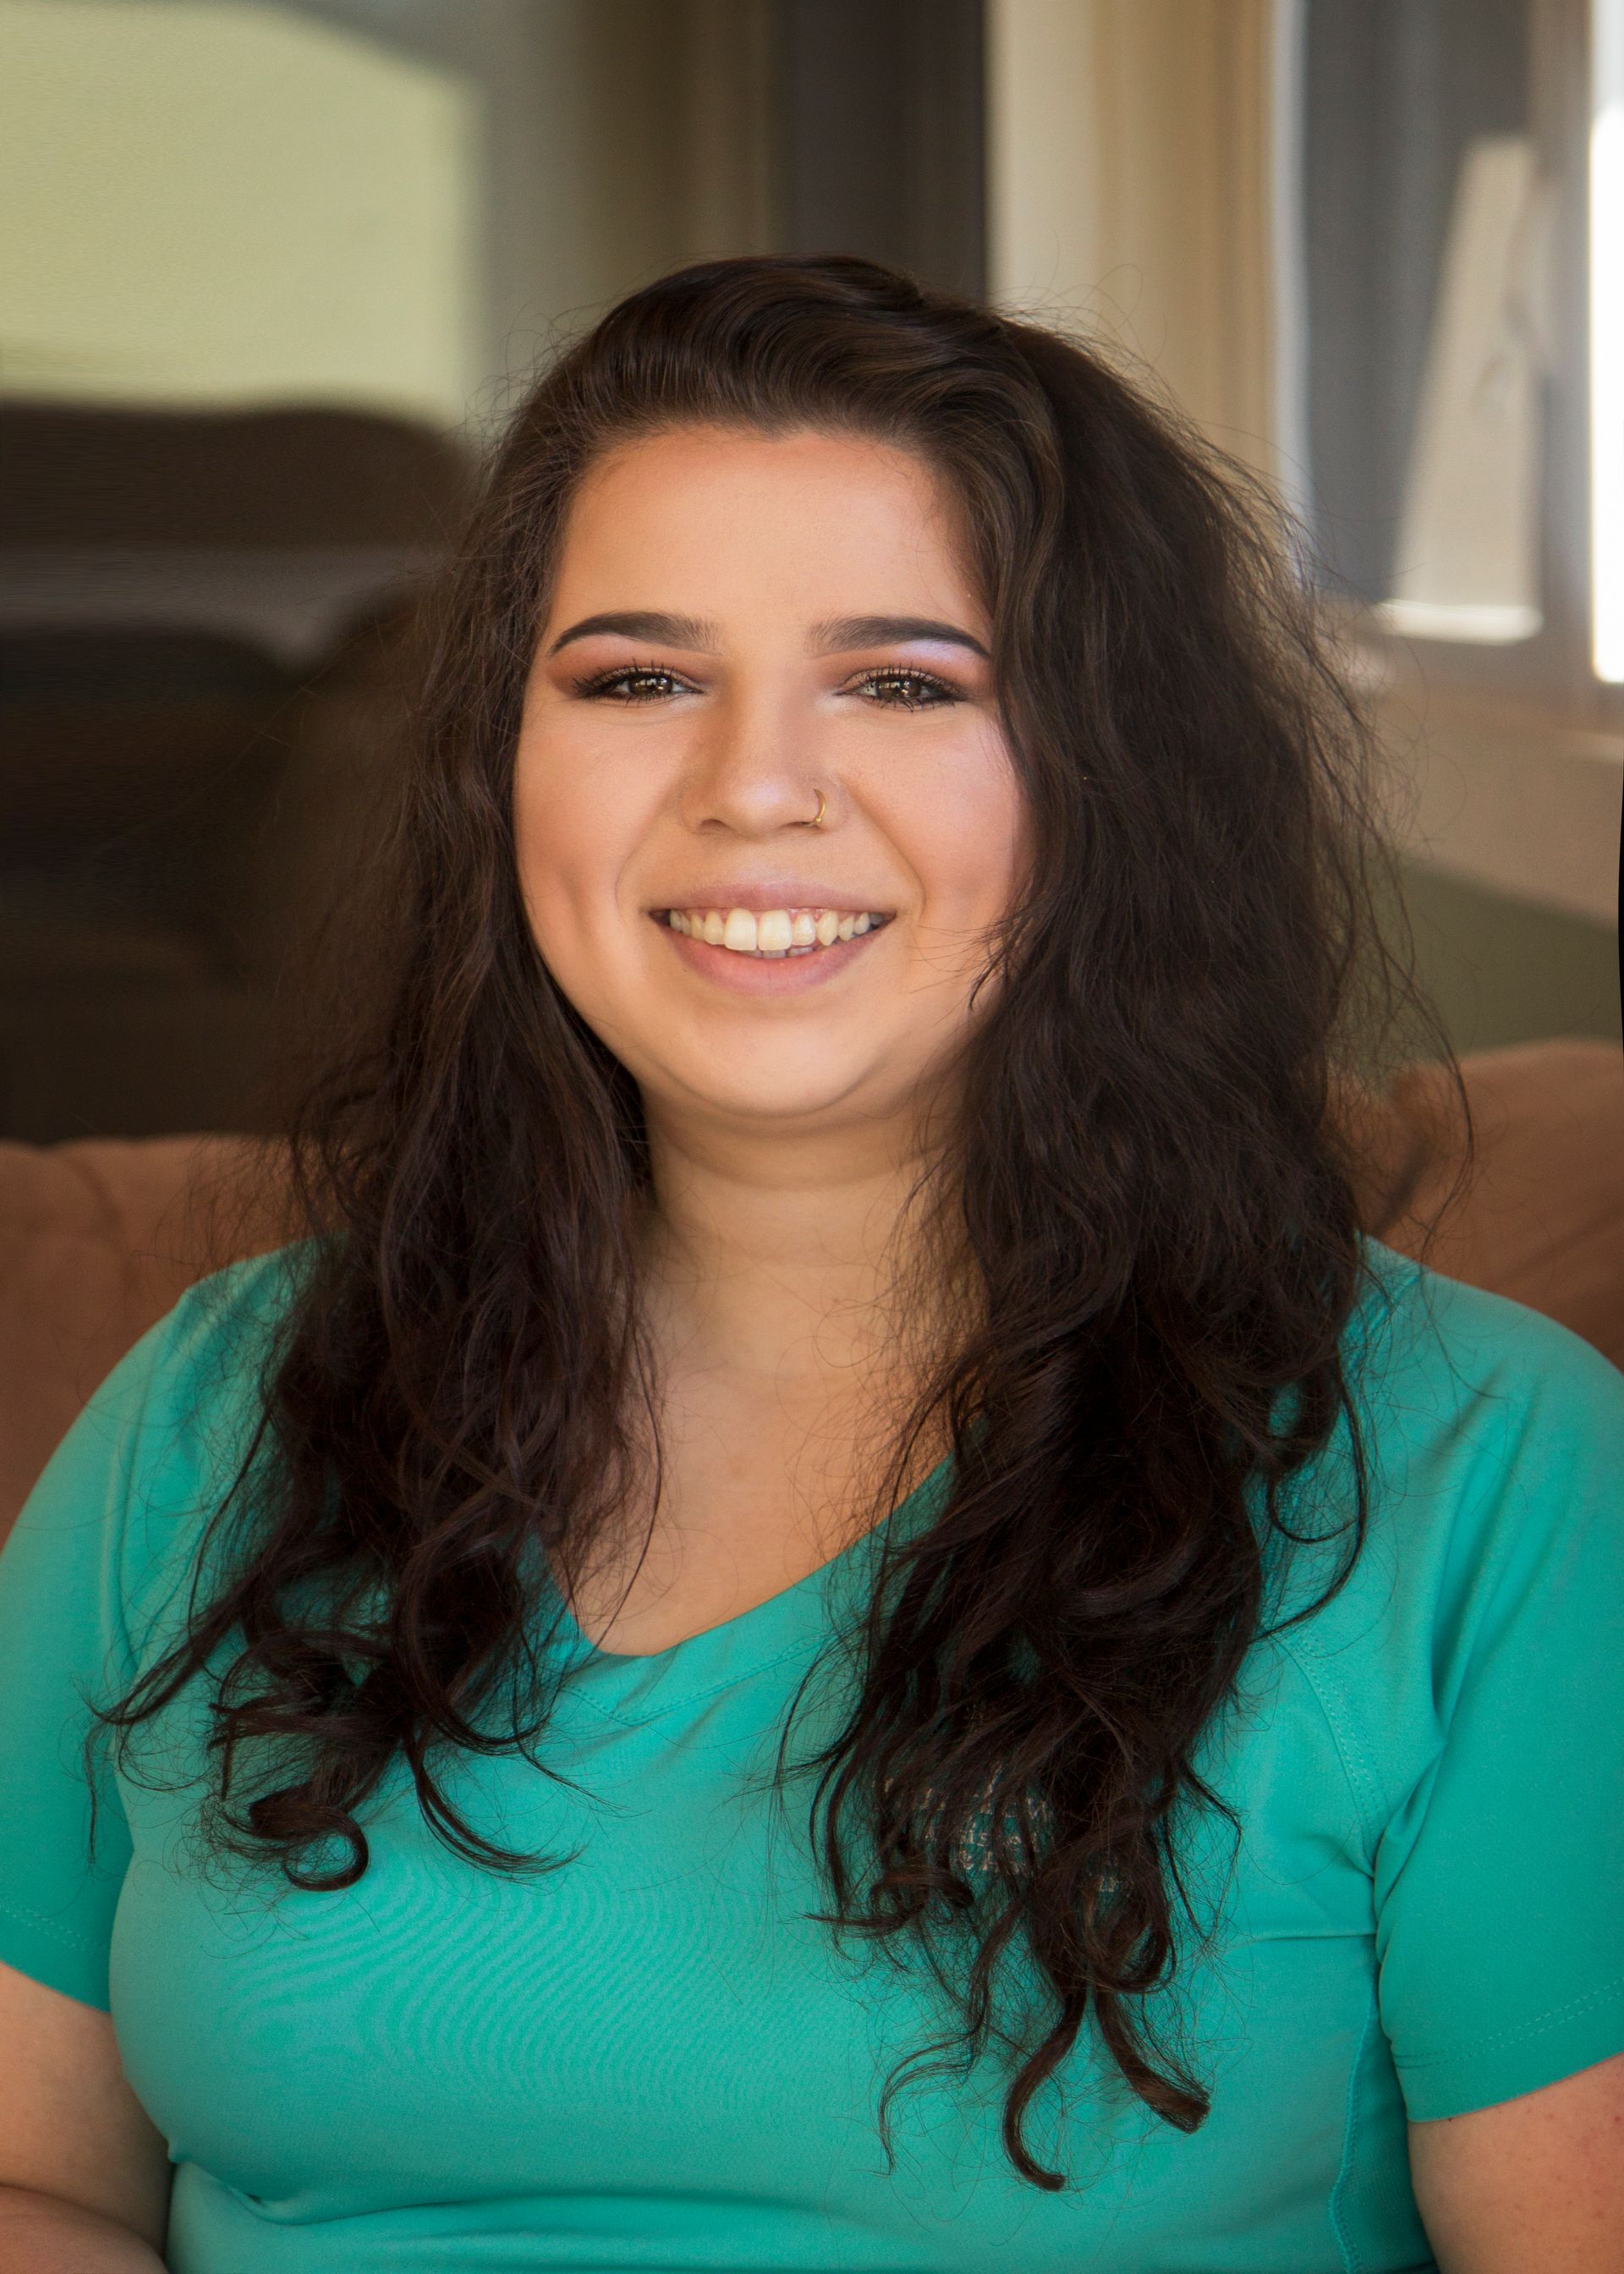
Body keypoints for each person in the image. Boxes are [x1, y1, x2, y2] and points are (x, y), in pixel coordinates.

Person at [0, 254, 1619, 2274]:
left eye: (907, 681)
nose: (753, 786)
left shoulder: (1492, 1477)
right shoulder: (217, 1399)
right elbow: (32, 2175)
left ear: (1111, 790)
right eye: (637, 678)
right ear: (506, 768)